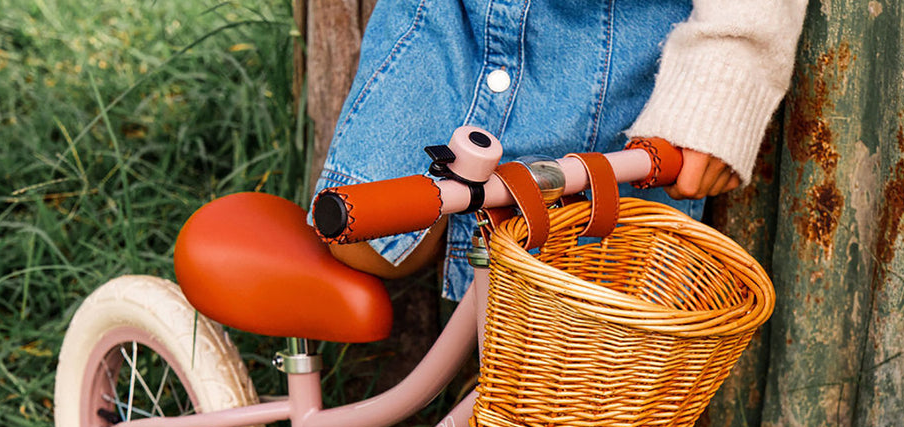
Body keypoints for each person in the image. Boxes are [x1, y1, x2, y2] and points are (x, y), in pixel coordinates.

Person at [311, 0, 808, 300]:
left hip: (601, 59)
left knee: (569, 312)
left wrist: (725, 79)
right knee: (365, 239)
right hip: (448, 27)